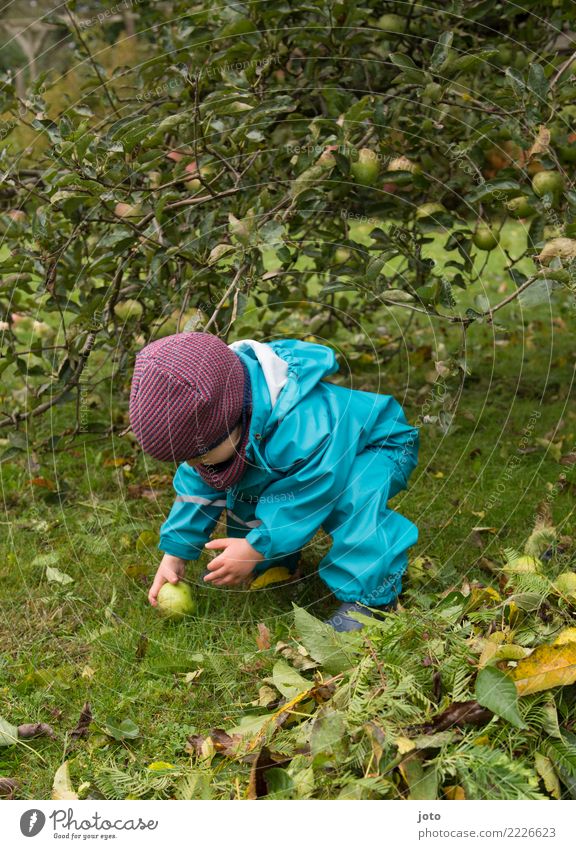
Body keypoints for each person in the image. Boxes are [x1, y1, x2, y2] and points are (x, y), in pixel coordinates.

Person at [128, 332, 419, 631]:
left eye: (199, 456)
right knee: (247, 482)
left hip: (375, 446)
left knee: (353, 500)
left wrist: (257, 546)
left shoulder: (305, 426)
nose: (193, 465)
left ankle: (371, 597)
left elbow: (309, 494)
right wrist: (175, 552)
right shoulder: (223, 426)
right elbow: (197, 489)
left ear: (234, 421)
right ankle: (275, 563)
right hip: (310, 459)